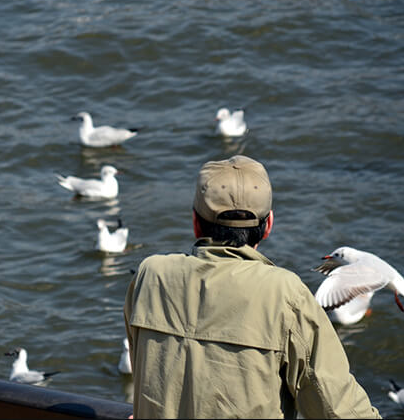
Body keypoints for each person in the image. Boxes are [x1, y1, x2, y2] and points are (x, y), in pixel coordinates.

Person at [123, 155, 380, 419]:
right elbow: (336, 408)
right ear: (268, 225)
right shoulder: (284, 293)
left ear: (195, 222)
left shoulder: (149, 276)